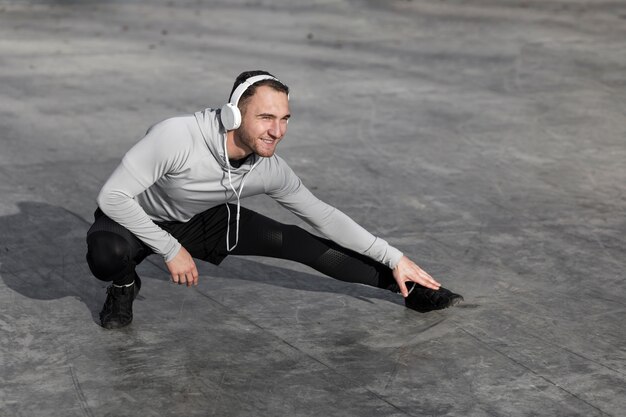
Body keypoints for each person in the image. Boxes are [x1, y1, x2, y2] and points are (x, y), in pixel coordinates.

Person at [86, 70, 463, 329]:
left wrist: (394, 257)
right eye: (266, 117)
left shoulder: (269, 168)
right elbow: (113, 196)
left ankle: (410, 290)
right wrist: (170, 250)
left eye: (285, 119)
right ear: (233, 115)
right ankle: (123, 288)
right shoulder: (177, 136)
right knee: (107, 255)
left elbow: (325, 217)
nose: (277, 131)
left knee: (298, 242)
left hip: (199, 219)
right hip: (132, 217)